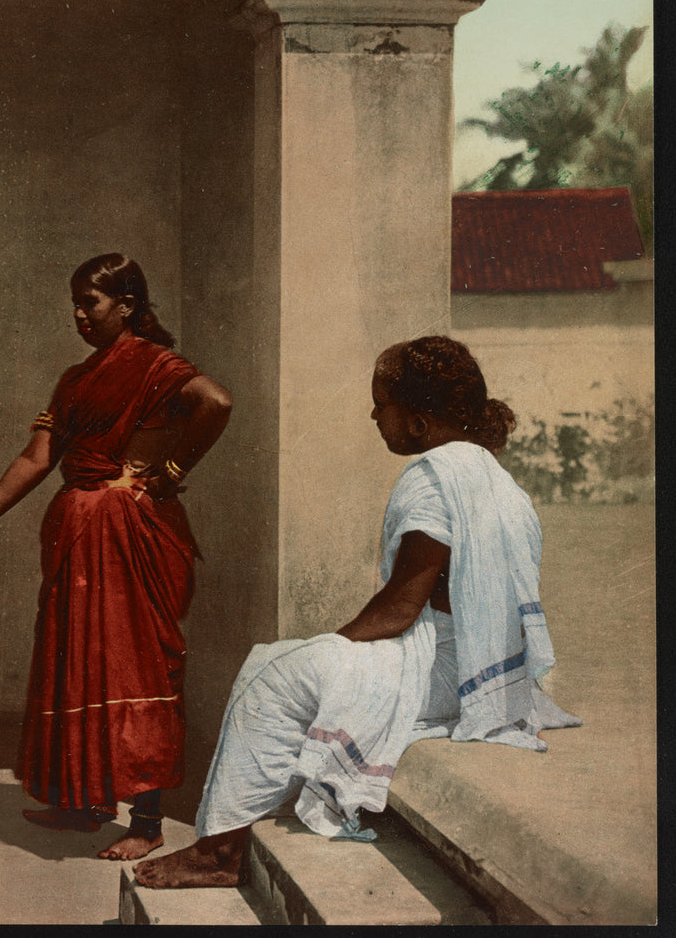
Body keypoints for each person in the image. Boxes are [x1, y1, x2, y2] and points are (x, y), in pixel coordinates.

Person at [134, 335, 582, 889]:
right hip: (484, 670)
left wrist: (329, 645)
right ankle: (230, 834)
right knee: (286, 663)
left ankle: (218, 852)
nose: (375, 414)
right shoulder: (497, 479)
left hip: (440, 673)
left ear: (416, 423)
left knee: (275, 672)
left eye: (382, 402)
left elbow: (398, 608)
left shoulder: (436, 475)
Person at [0, 253, 233, 862]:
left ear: (126, 306)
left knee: (135, 666)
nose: (78, 315)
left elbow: (218, 402)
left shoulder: (157, 366)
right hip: (78, 533)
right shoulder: (75, 380)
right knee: (76, 662)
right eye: (74, 304)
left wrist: (169, 470)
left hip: (130, 532)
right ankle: (82, 803)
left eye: (90, 304)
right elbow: (36, 458)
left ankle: (147, 821)